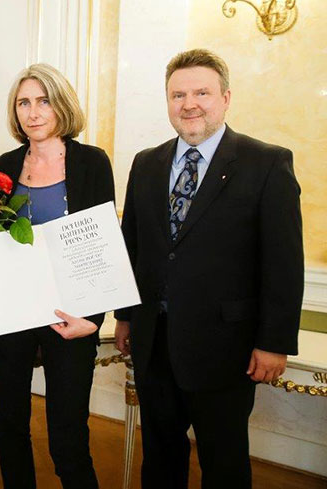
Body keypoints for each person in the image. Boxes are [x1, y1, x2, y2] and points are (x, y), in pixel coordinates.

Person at [114, 49, 303, 489]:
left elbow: (284, 262)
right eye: (178, 94)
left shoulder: (266, 163)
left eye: (201, 92)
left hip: (227, 349)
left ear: (226, 98)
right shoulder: (146, 163)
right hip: (154, 342)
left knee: (224, 461)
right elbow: (133, 247)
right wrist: (125, 316)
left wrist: (273, 343)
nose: (189, 103)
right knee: (160, 456)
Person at [0, 63, 114, 489]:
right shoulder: (3, 164)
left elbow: (102, 245)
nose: (33, 112)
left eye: (43, 100)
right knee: (9, 425)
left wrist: (95, 318)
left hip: (69, 316)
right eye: (24, 103)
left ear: (61, 104)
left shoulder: (92, 162)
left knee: (68, 436)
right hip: (11, 314)